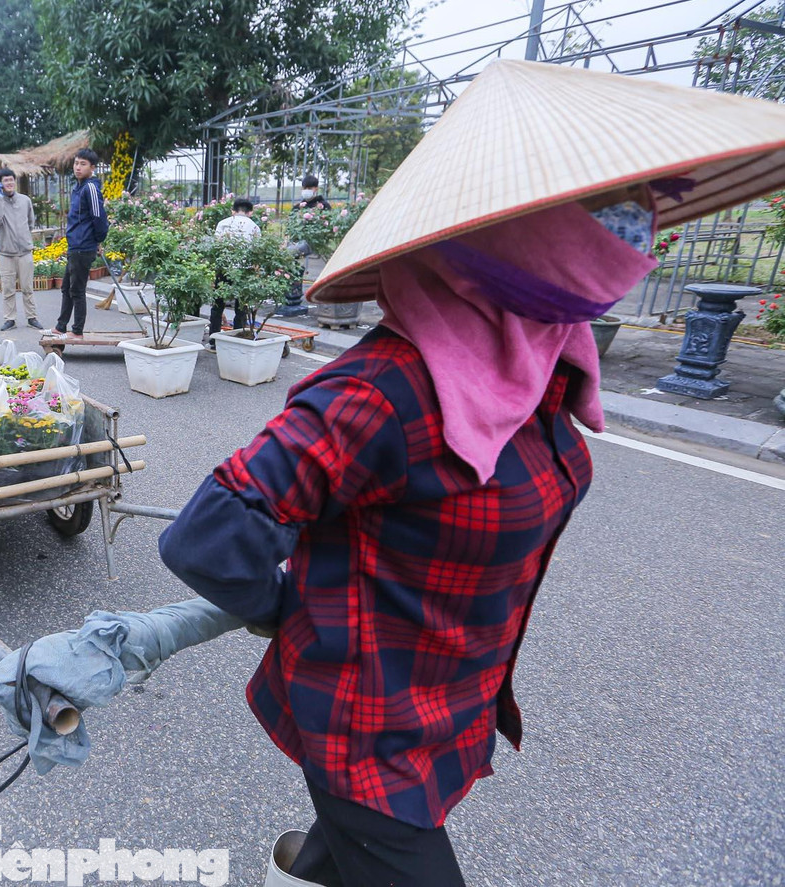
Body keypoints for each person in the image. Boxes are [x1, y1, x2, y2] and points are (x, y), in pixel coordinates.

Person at [157, 58, 785, 887]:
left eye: (642, 202)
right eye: (603, 208)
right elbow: (210, 532)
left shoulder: (548, 354)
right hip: (368, 728)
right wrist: (282, 609)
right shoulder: (383, 389)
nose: (636, 228)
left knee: (334, 859)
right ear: (516, 228)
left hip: (452, 701)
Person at [54, 148, 108, 338]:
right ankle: (61, 326)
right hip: (75, 246)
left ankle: (77, 331)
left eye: (83, 164)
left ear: (92, 168)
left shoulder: (90, 188)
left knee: (77, 290)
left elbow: (98, 217)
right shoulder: (78, 187)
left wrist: (98, 240)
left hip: (83, 247)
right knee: (66, 288)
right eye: (76, 163)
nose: (78, 167)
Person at [0, 167, 41, 331]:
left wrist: (25, 238)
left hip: (25, 252)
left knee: (27, 288)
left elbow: (31, 222)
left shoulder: (25, 200)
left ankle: (32, 317)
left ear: (14, 182)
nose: (9, 183)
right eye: (5, 181)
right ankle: (10, 319)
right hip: (5, 254)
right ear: (1, 184)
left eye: (11, 180)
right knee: (8, 289)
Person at [206, 198, 260, 346]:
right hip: (244, 270)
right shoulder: (255, 227)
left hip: (224, 268)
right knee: (241, 306)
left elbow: (216, 248)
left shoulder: (222, 224)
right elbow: (256, 252)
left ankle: (214, 339)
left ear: (233, 211)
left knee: (218, 305)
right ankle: (237, 336)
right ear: (250, 212)